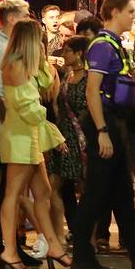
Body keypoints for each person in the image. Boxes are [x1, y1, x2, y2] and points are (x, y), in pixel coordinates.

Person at [71, 0, 135, 269]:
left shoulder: (114, 45)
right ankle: (82, 257)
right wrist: (102, 131)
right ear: (113, 12)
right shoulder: (103, 46)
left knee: (122, 195)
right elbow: (93, 90)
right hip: (106, 124)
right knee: (95, 194)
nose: (133, 16)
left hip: (115, 122)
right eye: (129, 11)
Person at [0, 19, 70, 269]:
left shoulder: (26, 65)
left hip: (28, 137)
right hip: (20, 137)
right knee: (14, 194)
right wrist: (54, 132)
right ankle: (9, 251)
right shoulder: (15, 66)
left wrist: (43, 61)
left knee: (43, 193)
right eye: (39, 38)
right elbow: (29, 107)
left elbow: (48, 86)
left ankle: (53, 245)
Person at [0, 0, 37, 266]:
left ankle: (3, 245)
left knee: (11, 191)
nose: (30, 18)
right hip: (7, 131)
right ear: (13, 18)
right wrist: (8, 127)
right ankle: (4, 247)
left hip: (15, 130)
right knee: (9, 192)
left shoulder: (9, 47)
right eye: (26, 14)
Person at [48, 36, 89, 243]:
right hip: (63, 137)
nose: (63, 54)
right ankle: (59, 234)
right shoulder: (67, 76)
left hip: (82, 140)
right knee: (55, 185)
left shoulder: (89, 78)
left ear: (79, 53)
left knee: (84, 187)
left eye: (67, 50)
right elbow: (57, 105)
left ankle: (86, 234)